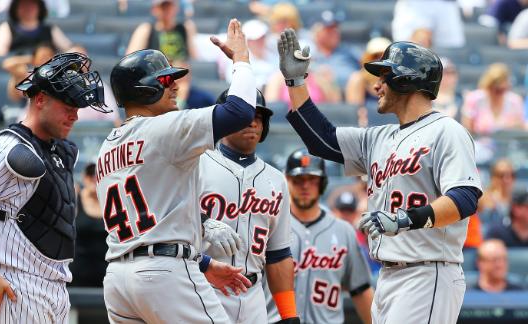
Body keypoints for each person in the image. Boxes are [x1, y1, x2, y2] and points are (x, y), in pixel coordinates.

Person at [276, 29, 483, 323]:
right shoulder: (378, 138)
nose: (376, 85)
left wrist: (404, 219)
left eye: (385, 76)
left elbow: (464, 199)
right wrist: (296, 83)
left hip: (427, 271)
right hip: (388, 276)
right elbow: (321, 140)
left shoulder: (447, 131)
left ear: (407, 79)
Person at [96, 19, 256, 323]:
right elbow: (241, 111)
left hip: (118, 279)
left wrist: (204, 263)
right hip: (163, 275)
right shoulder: (165, 127)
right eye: (164, 80)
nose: (175, 85)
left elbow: (153, 215)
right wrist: (242, 61)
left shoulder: (108, 145)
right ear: (143, 90)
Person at [0, 51, 106, 322]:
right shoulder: (9, 147)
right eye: (68, 107)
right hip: (16, 286)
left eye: (77, 109)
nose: (74, 117)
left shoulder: (61, 152)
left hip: (55, 288)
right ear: (41, 99)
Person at [198, 88, 298, 323]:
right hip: (203, 286)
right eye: (244, 115)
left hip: (254, 295)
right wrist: (202, 222)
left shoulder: (275, 179)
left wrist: (288, 314)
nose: (252, 122)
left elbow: (279, 254)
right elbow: (167, 219)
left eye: (259, 116)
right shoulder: (196, 165)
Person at [266, 149, 373, 324]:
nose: (305, 186)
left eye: (312, 179)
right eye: (298, 180)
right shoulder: (270, 225)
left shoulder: (343, 230)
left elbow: (361, 289)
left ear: (322, 183)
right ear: (287, 182)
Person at [68, 163, 108, 287]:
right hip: (78, 275)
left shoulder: (112, 201)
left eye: (98, 175)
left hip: (107, 275)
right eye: (91, 174)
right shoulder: (74, 198)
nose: (94, 178)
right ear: (84, 177)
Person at [461, 63, 525, 136]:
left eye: (503, 90)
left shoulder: (515, 101)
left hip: (507, 145)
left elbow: (520, 128)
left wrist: (512, 126)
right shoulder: (474, 99)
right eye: (496, 89)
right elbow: (467, 130)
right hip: (479, 144)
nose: (498, 93)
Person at [0, 0, 72, 56]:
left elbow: (69, 48)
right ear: (16, 8)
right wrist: (32, 59)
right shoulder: (6, 27)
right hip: (19, 72)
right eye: (24, 4)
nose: (28, 8)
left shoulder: (49, 28)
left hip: (48, 73)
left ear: (39, 7)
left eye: (32, 4)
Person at [125, 0, 197, 60]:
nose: (166, 10)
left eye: (169, 6)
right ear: (154, 10)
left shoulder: (184, 29)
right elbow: (131, 60)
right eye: (163, 7)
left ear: (176, 8)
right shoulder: (146, 30)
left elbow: (195, 58)